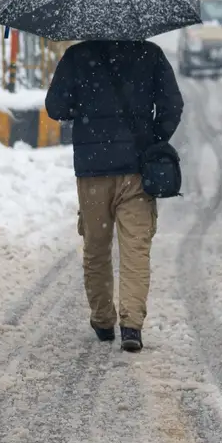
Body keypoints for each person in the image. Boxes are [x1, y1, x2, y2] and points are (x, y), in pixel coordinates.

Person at [45, 40, 183, 352]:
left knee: (96, 246)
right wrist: (155, 137)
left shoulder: (77, 56)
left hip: (93, 171)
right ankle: (131, 324)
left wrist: (84, 107)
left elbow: (56, 107)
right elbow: (172, 105)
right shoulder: (150, 54)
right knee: (135, 247)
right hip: (136, 169)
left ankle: (103, 320)